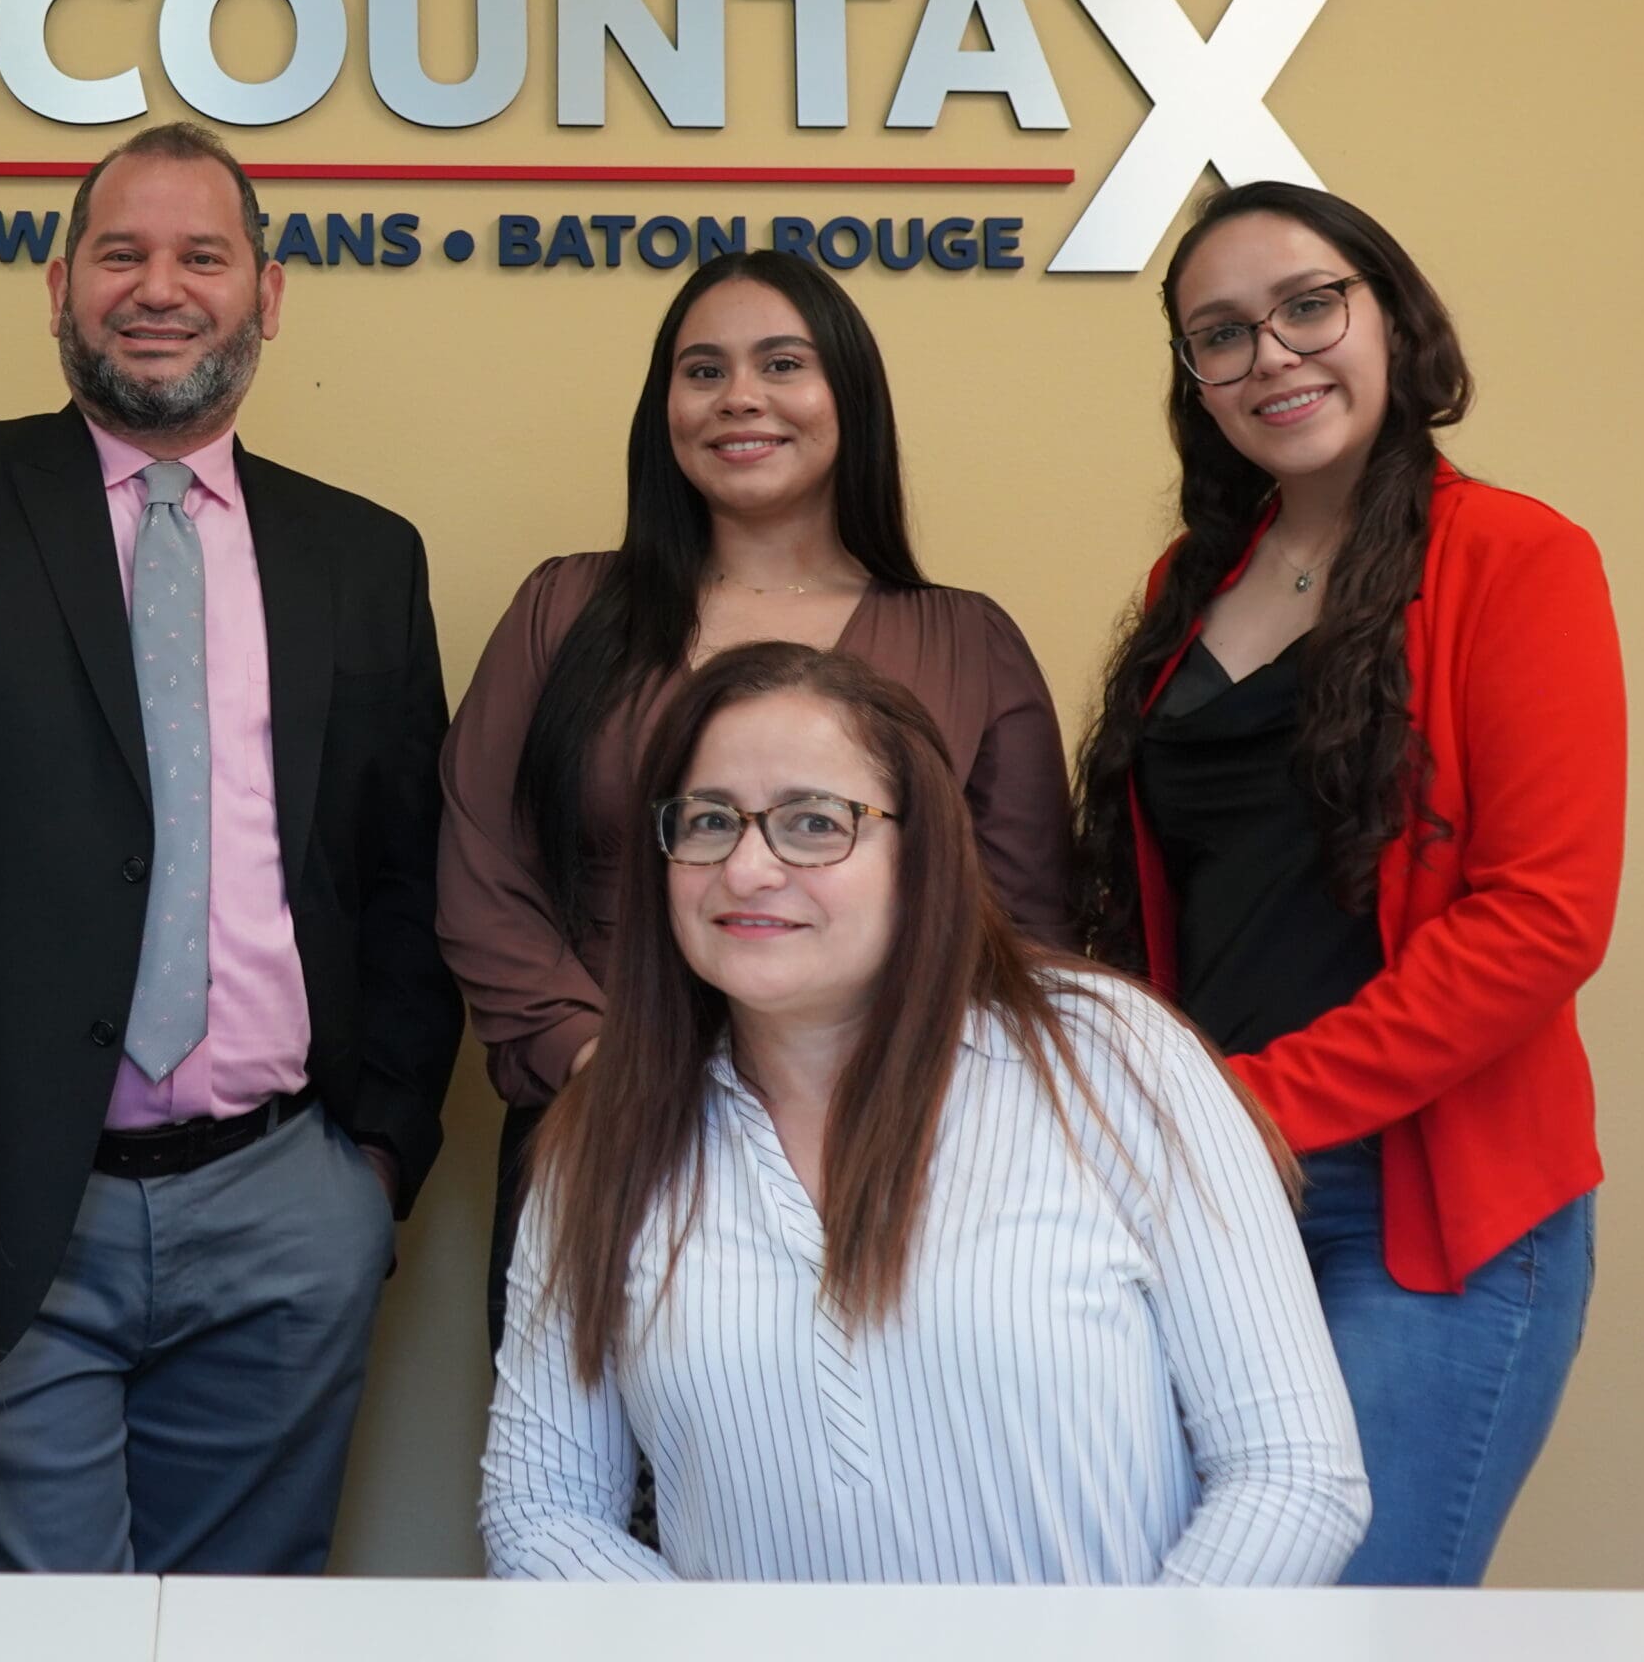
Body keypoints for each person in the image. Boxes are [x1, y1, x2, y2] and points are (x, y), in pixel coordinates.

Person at [0, 121, 462, 1575]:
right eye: (120, 255)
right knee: (24, 1626)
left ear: (270, 294)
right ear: (59, 285)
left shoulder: (361, 554)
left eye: (204, 256)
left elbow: (403, 871)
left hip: (285, 1201)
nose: (159, 287)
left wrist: (372, 1157)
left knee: (245, 1619)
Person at [483, 643, 1367, 1585]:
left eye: (813, 823)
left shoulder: (1115, 1059)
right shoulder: (603, 1133)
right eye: (708, 821)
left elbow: (1292, 1474)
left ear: (921, 852)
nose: (746, 869)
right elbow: (540, 1512)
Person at [1072, 180, 1623, 1587]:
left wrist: (1264, 1106)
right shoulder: (1192, 582)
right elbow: (1159, 907)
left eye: (1311, 304)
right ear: (1194, 380)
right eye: (1222, 335)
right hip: (1206, 1199)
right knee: (1194, 1615)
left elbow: (1541, 918)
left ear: (1390, 314)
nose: (1275, 356)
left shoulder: (1518, 556)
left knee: (1350, 1620)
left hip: (1422, 1203)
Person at [438, 250, 1071, 1334]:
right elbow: (477, 865)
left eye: (784, 363)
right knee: (585, 1491)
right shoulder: (566, 607)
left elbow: (1025, 928)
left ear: (848, 399)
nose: (741, 397)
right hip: (603, 1131)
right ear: (664, 410)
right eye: (703, 370)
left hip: (886, 1154)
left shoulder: (966, 640)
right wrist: (600, 1069)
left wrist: (897, 1104)